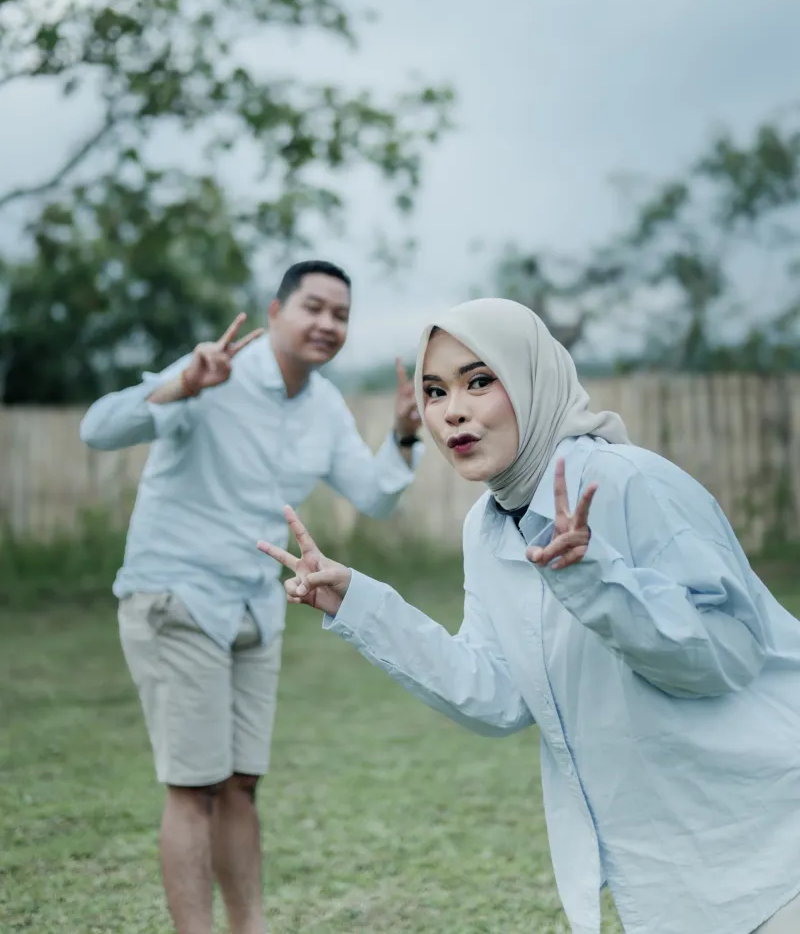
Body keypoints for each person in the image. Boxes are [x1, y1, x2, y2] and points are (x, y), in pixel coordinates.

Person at [260, 297, 800, 934]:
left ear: (531, 379)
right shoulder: (488, 527)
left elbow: (727, 650)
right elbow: (498, 694)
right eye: (435, 391)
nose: (452, 410)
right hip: (680, 864)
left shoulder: (629, 481)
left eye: (478, 381)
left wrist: (595, 580)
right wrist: (358, 602)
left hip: (772, 829)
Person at [79, 259, 423, 934]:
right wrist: (182, 384)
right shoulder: (215, 371)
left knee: (240, 786)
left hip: (255, 609)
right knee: (194, 789)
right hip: (177, 597)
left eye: (341, 315)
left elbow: (376, 495)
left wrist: (405, 435)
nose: (327, 324)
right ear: (274, 312)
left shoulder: (324, 406)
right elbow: (97, 430)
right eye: (313, 307)